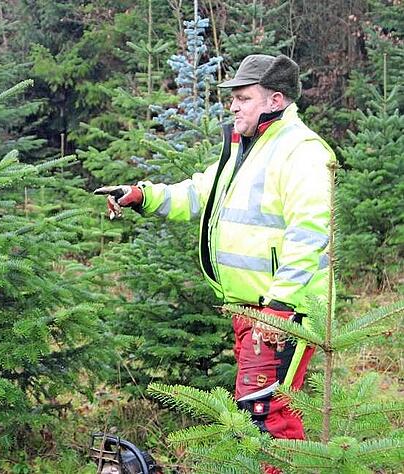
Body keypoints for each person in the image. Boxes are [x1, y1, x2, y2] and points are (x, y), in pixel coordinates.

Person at [95, 54, 334, 441]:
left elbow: (308, 236)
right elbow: (196, 193)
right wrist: (141, 195)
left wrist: (278, 309)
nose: (234, 106)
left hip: (280, 313)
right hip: (249, 308)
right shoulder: (247, 149)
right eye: (232, 98)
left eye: (244, 97)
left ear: (276, 100)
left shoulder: (302, 152)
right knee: (257, 412)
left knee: (266, 414)